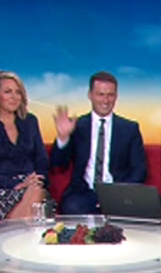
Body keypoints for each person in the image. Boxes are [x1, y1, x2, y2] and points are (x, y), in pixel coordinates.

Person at [50, 71, 148, 214]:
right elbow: (58, 164)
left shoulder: (130, 129)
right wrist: (63, 137)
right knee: (72, 207)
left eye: (110, 95)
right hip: (84, 193)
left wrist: (118, 193)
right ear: (90, 95)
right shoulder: (78, 126)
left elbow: (139, 170)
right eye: (100, 94)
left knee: (133, 210)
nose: (105, 100)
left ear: (116, 96)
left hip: (118, 193)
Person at [0, 71, 51, 220]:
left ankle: (12, 228)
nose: (14, 97)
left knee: (36, 192)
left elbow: (41, 159)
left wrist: (38, 180)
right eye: (8, 92)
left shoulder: (30, 121)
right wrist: (16, 184)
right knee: (35, 201)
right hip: (0, 187)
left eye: (18, 92)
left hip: (32, 184)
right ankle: (20, 227)